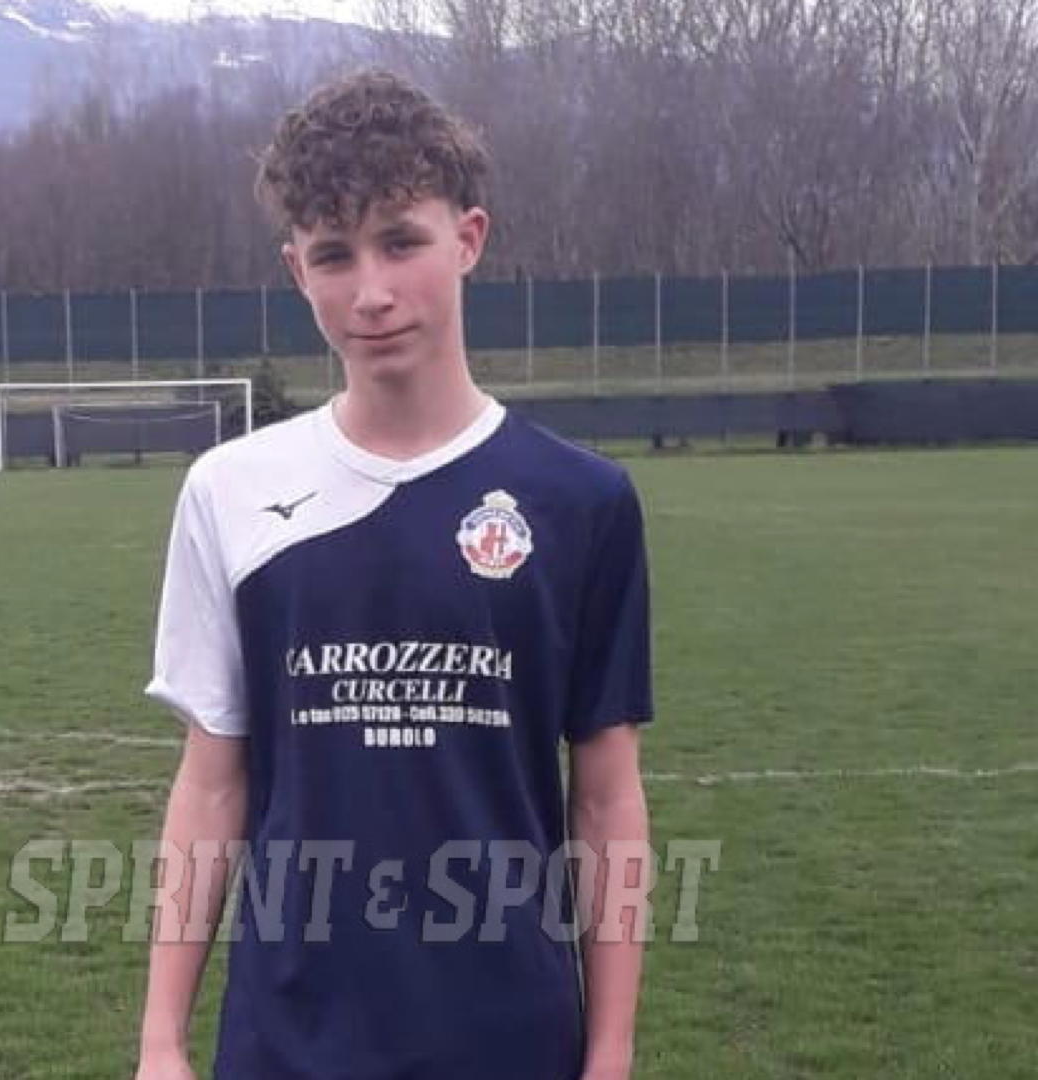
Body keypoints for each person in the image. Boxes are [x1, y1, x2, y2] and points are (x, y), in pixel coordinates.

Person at [137, 69, 653, 1080]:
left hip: (510, 1041)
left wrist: (610, 1054)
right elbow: (211, 780)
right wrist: (161, 1042)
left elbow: (605, 800)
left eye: (401, 241)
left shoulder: (582, 502)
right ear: (297, 269)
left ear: (469, 238)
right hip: (286, 1045)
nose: (370, 292)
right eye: (334, 255)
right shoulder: (229, 491)